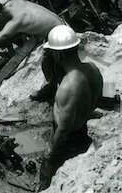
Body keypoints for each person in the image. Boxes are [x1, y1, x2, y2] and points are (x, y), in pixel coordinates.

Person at [38, 25, 103, 191]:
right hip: (83, 128)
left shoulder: (67, 88)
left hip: (69, 139)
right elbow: (95, 100)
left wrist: (50, 154)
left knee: (49, 168)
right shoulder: (93, 69)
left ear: (58, 54)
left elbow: (64, 130)